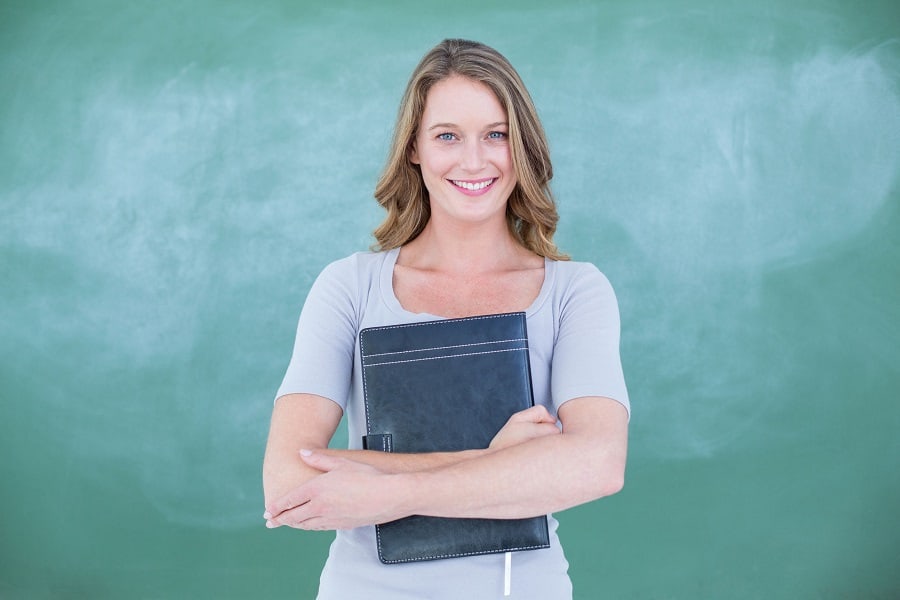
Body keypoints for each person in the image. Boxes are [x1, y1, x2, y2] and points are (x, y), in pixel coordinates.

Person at [262, 38, 630, 599]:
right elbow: (288, 482)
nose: (474, 160)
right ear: (414, 148)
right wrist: (500, 463)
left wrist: (389, 492)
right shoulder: (350, 286)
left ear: (521, 146)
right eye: (447, 136)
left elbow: (597, 464)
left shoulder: (575, 292)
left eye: (496, 134)